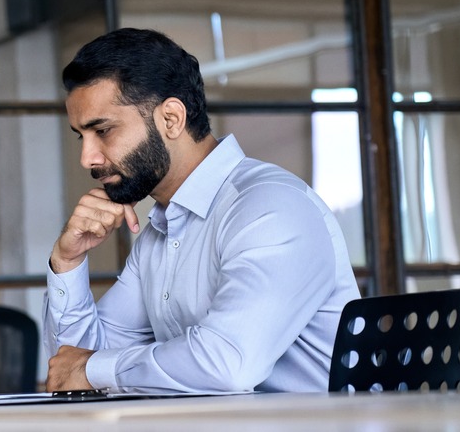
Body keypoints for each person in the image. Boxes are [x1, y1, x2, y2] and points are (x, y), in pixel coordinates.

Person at [43, 28, 360, 394]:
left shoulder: (270, 209)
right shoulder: (158, 235)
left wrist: (93, 368)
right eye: (82, 136)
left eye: (103, 131)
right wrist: (68, 261)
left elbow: (228, 365)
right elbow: (75, 367)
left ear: (172, 119)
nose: (88, 158)